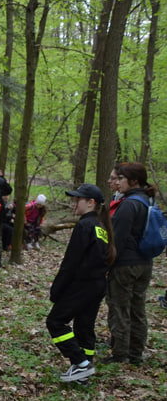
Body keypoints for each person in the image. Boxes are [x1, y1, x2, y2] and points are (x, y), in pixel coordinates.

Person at [46, 184, 114, 383]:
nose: (73, 203)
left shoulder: (85, 226)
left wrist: (57, 290)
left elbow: (71, 262)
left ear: (91, 203)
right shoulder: (100, 226)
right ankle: (83, 372)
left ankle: (81, 364)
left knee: (55, 322)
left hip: (83, 284)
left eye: (78, 200)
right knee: (84, 326)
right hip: (97, 284)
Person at [105, 162, 156, 365]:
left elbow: (117, 239)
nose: (117, 182)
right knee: (137, 308)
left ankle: (120, 354)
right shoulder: (147, 200)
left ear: (133, 181)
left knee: (120, 308)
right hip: (145, 262)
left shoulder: (128, 204)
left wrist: (106, 265)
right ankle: (136, 353)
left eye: (120, 179)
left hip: (125, 264)